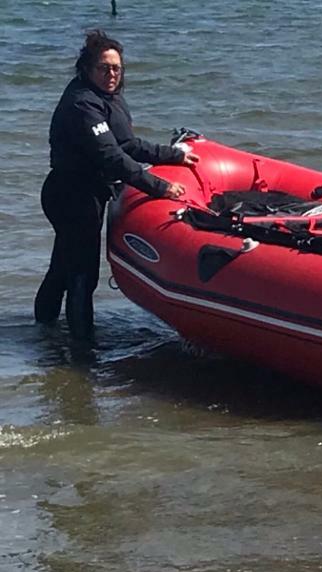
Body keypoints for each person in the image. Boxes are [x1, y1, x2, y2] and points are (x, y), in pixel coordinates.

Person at [34, 29, 198, 339]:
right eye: (104, 68)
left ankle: (44, 333)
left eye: (116, 68)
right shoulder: (82, 104)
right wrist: (159, 187)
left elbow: (129, 144)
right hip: (71, 196)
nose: (111, 74)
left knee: (62, 266)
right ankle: (83, 354)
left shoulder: (109, 99)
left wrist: (173, 155)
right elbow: (110, 156)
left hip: (86, 194)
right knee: (82, 274)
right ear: (87, 69)